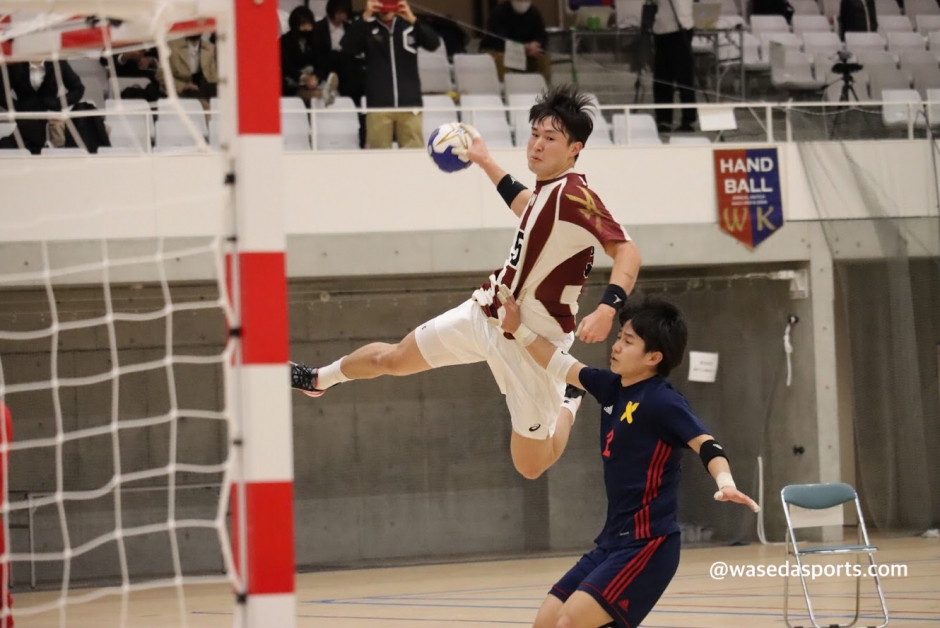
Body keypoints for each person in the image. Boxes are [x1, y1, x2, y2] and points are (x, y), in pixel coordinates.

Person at [292, 84, 642, 480]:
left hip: (534, 345)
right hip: (488, 313)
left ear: (575, 149)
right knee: (390, 359)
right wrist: (485, 161)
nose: (537, 145)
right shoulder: (547, 192)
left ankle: (569, 402)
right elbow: (528, 208)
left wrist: (608, 307)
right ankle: (318, 378)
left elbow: (627, 251)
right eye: (534, 134)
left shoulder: (575, 196)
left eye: (550, 138)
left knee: (530, 466)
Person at [493, 291, 759, 628]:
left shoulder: (664, 401)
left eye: (628, 341)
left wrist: (725, 481)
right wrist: (517, 328)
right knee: (545, 622)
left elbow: (706, 444)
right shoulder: (611, 387)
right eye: (619, 337)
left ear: (653, 357)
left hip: (649, 544)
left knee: (569, 622)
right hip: (611, 542)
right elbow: (557, 362)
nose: (616, 346)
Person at [341, 0, 441, 149]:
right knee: (379, 155)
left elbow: (434, 44)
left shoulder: (409, 26)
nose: (386, 5)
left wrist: (412, 19)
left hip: (409, 103)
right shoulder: (367, 27)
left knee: (413, 154)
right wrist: (364, 16)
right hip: (378, 104)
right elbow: (347, 47)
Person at [0, 59, 85, 154]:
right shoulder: (15, 65)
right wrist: (16, 107)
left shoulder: (58, 63)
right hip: (25, 119)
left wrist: (57, 103)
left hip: (50, 116)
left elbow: (78, 88)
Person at [651, 0, 697, 132]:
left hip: (678, 28)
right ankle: (667, 119)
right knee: (665, 78)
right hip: (667, 28)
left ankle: (685, 119)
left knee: (681, 77)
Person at [480, 1, 551, 85]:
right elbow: (498, 41)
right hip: (499, 51)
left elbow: (542, 37)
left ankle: (542, 88)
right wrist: (522, 47)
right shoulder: (499, 12)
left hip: (525, 53)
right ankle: (507, 88)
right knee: (501, 58)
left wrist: (536, 45)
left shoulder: (534, 13)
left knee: (542, 58)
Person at [281, 6, 339, 106]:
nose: (306, 29)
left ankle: (325, 92)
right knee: (312, 94)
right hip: (293, 84)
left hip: (315, 81)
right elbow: (285, 66)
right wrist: (303, 78)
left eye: (309, 25)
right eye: (303, 25)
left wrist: (316, 77)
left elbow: (322, 61)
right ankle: (324, 94)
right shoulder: (284, 42)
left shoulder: (316, 40)